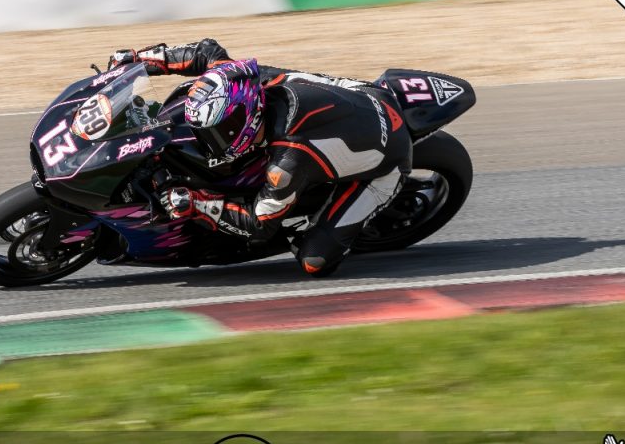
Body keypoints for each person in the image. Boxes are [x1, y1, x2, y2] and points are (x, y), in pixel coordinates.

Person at [107, 39, 412, 277]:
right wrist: (137, 60)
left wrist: (197, 203)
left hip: (387, 162)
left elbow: (259, 225)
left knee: (314, 261)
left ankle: (311, 216)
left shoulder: (288, 162)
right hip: (366, 95)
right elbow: (204, 51)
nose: (208, 140)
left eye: (216, 132)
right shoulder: (240, 80)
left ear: (244, 119)